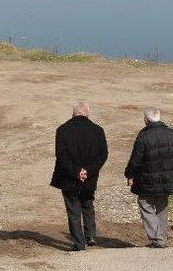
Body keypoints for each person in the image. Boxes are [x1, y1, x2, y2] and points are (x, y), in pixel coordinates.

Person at [124, 108, 173, 249]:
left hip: (147, 180)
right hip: (167, 179)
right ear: (159, 117)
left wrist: (129, 175)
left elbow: (135, 160)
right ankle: (161, 239)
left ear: (146, 119)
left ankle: (157, 239)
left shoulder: (143, 136)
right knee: (162, 207)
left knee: (145, 204)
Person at [50, 103, 108, 251]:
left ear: (73, 114)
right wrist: (87, 171)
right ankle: (91, 236)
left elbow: (61, 155)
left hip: (69, 177)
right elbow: (103, 155)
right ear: (87, 114)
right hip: (90, 176)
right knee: (88, 204)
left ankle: (79, 243)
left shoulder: (62, 130)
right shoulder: (98, 130)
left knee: (73, 209)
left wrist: (77, 172)